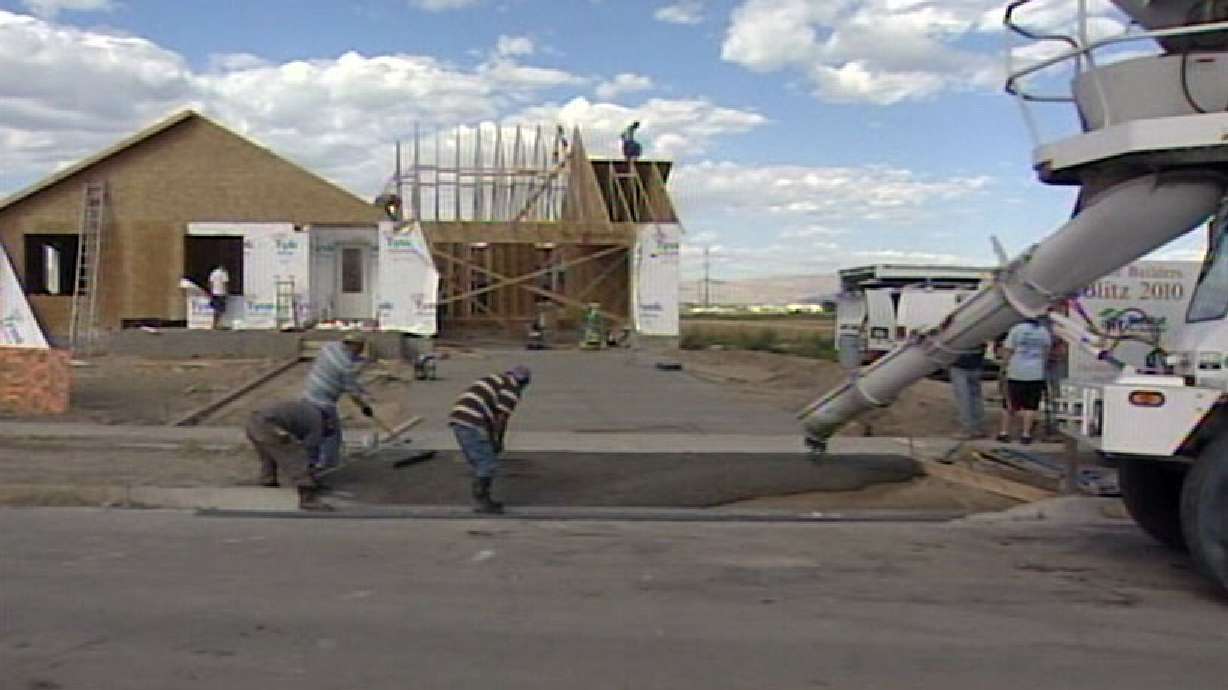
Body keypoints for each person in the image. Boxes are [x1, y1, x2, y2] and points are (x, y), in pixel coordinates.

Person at [449, 366, 532, 514]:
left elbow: (489, 413)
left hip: (459, 418)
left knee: (480, 460)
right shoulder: (511, 389)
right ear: (523, 382)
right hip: (473, 421)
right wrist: (497, 440)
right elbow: (501, 418)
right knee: (486, 462)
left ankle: (482, 497)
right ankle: (482, 501)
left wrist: (491, 437)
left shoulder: (494, 380)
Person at [302, 334, 374, 469]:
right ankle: (328, 466)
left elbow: (347, 378)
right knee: (332, 434)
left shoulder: (329, 347)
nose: (361, 351)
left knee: (313, 431)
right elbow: (351, 391)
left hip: (308, 395)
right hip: (323, 402)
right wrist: (365, 407)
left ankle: (311, 462)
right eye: (360, 348)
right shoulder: (346, 366)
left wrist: (361, 388)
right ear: (355, 345)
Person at [245, 399, 332, 511]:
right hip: (270, 426)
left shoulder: (309, 410)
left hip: (253, 421)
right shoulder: (318, 424)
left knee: (269, 451)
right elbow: (309, 450)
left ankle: (267, 479)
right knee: (295, 456)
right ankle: (307, 498)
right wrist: (311, 473)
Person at [997, 317, 1053, 444]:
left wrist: (1003, 367)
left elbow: (1008, 350)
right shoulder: (1044, 331)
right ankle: (1026, 434)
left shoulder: (1016, 329)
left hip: (1016, 372)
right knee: (1030, 406)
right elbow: (1046, 352)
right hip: (1036, 373)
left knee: (1009, 404)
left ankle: (1004, 432)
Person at [949, 342, 987, 440]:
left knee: (963, 399)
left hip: (959, 366)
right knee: (976, 398)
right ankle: (978, 428)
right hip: (976, 366)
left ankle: (967, 429)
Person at [208, 265, 229, 329]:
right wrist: (226, 292)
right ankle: (219, 324)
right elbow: (225, 284)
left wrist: (211, 292)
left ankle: (214, 324)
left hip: (214, 293)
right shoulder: (223, 273)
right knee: (220, 309)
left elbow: (210, 283)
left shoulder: (213, 273)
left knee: (215, 309)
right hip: (221, 293)